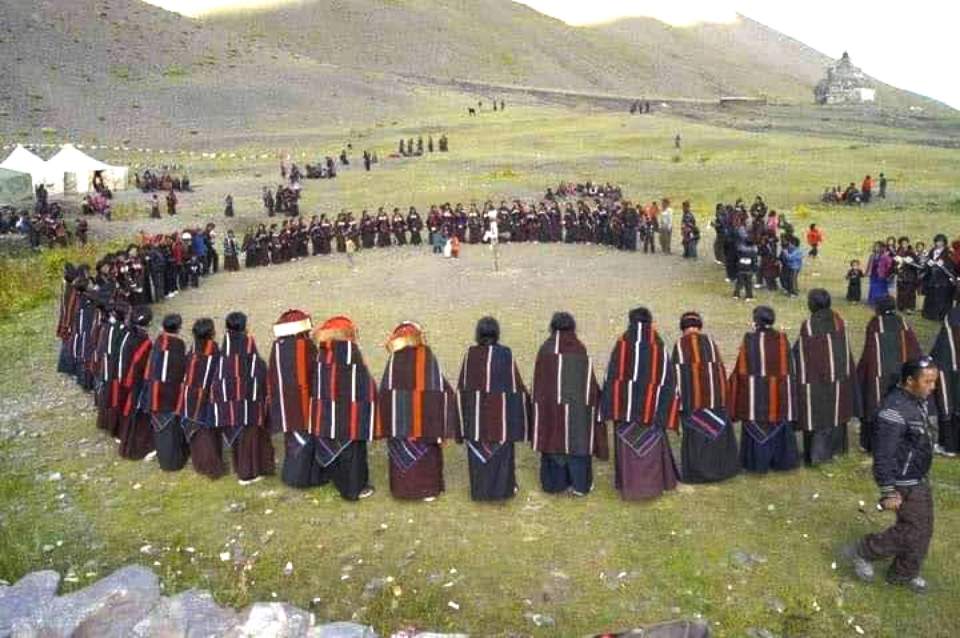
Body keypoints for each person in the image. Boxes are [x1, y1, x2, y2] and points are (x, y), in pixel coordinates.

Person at [848, 357, 937, 594]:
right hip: (903, 482)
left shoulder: (916, 400)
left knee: (923, 528)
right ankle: (865, 550)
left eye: (934, 381)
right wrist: (889, 490)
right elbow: (884, 455)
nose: (932, 387)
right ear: (910, 381)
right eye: (927, 382)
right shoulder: (893, 411)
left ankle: (902, 574)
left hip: (918, 477)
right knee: (912, 530)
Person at [600, 307, 678, 499]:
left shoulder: (623, 343)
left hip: (625, 408)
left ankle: (630, 484)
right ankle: (655, 483)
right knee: (652, 439)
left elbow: (611, 375)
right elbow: (668, 376)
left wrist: (611, 401)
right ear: (650, 322)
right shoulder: (658, 345)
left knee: (628, 442)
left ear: (631, 321)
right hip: (653, 408)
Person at [378, 322, 459, 500]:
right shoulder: (427, 355)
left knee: (403, 442)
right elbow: (439, 385)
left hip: (399, 424)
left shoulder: (394, 359)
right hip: (426, 423)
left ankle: (401, 490)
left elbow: (385, 392)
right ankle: (428, 491)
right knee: (427, 446)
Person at [532, 312, 608, 496]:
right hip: (578, 411)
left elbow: (539, 385)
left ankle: (554, 484)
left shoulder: (546, 348)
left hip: (550, 410)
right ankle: (580, 484)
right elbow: (588, 383)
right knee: (578, 439)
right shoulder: (579, 348)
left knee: (554, 437)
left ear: (552, 327)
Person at [456, 317, 531, 501]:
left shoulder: (471, 354)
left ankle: (480, 491)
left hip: (476, 421)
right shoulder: (505, 353)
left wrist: (462, 419)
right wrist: (523, 412)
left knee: (478, 457)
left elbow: (463, 387)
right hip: (501, 421)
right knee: (503, 455)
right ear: (497, 334)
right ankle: (503, 490)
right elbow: (515, 386)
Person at [309, 316, 379, 500]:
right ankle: (354, 489)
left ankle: (338, 481)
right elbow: (362, 381)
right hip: (351, 414)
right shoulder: (350, 353)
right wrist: (373, 400)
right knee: (353, 453)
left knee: (337, 452)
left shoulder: (322, 352)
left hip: (326, 413)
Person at [792, 289, 861, 466]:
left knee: (816, 413)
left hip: (815, 378)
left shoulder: (809, 325)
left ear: (813, 304)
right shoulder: (838, 320)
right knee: (837, 410)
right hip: (839, 374)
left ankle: (817, 455)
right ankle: (837, 449)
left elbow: (803, 352)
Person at [727, 305, 799, 473]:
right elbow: (789, 371)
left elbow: (741, 370)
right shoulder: (782, 339)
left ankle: (756, 462)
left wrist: (731, 388)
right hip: (779, 397)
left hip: (754, 400)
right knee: (777, 404)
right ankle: (783, 460)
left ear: (755, 322)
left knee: (751, 394)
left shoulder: (749, 340)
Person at [672, 312, 740, 482]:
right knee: (716, 432)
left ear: (683, 328)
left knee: (697, 434)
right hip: (716, 398)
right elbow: (719, 370)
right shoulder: (710, 342)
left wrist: (679, 403)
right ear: (699, 326)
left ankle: (698, 473)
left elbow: (677, 376)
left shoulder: (680, 345)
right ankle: (724, 469)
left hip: (692, 401)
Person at [211, 312, 273, 483]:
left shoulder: (226, 344)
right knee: (248, 437)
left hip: (228, 399)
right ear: (245, 327)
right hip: (249, 398)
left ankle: (241, 468)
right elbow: (257, 366)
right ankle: (247, 474)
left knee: (238, 437)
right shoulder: (247, 343)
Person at [856, 297, 922, 453]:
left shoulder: (875, 324)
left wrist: (861, 374)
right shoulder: (903, 323)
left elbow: (869, 353)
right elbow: (914, 349)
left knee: (875, 404)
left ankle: (871, 444)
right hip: (901, 374)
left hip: (879, 374)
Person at [267, 309, 320, 488]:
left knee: (292, 439)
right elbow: (315, 371)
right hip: (304, 401)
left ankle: (291, 475)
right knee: (306, 439)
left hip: (284, 400)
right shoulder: (306, 346)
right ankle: (307, 477)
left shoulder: (277, 346)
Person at [139, 314, 190, 471]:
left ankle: (167, 458)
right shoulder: (178, 345)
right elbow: (180, 369)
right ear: (178, 328)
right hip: (168, 393)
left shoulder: (159, 341)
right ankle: (172, 463)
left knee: (161, 429)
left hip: (152, 391)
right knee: (169, 429)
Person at [180, 318, 224, 479]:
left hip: (190, 396)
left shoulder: (193, 350)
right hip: (204, 397)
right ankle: (212, 467)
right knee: (206, 433)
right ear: (212, 333)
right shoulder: (214, 352)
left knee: (199, 433)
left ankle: (201, 463)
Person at [116, 306, 156, 460]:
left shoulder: (126, 334)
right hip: (135, 382)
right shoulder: (144, 342)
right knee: (137, 414)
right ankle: (136, 446)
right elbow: (140, 365)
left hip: (122, 378)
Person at [930, 306, 960, 456]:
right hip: (951, 365)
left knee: (948, 403)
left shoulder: (953, 315)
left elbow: (943, 344)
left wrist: (933, 359)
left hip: (950, 366)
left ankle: (949, 446)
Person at [921, 234, 956, 321]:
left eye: (941, 241)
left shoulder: (948, 252)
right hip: (933, 278)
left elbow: (953, 265)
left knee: (942, 298)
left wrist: (944, 264)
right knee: (931, 296)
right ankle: (930, 315)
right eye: (937, 241)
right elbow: (928, 260)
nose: (939, 243)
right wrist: (928, 263)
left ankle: (941, 316)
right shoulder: (932, 251)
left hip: (944, 280)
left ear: (944, 242)